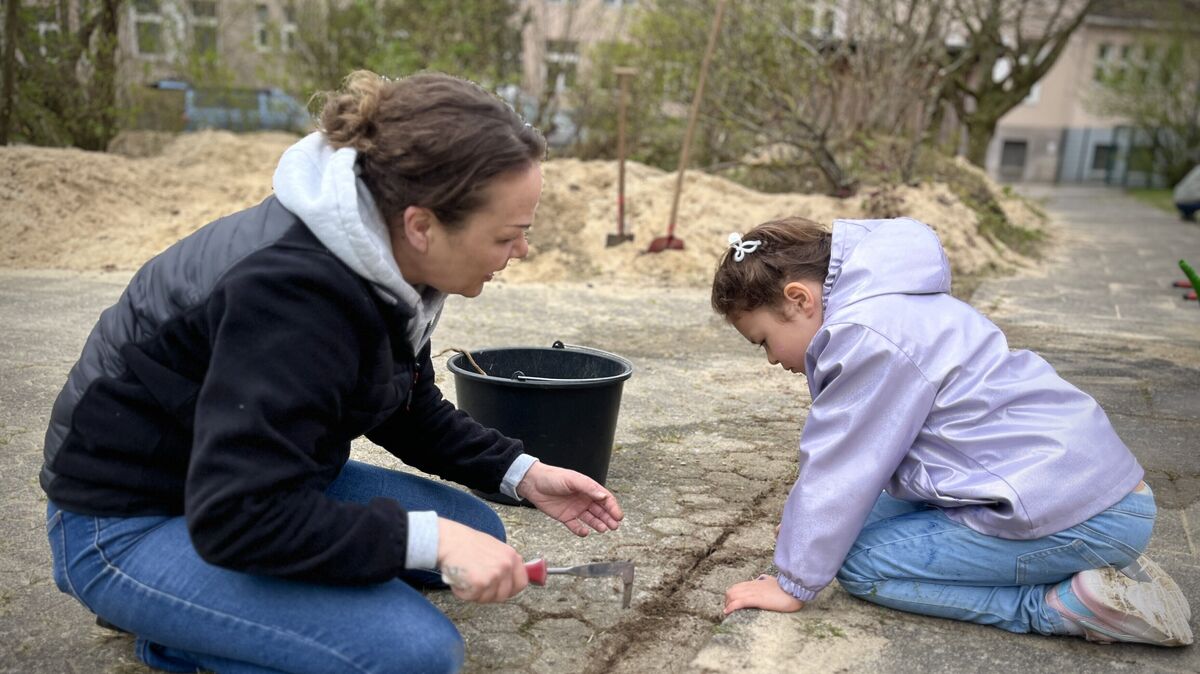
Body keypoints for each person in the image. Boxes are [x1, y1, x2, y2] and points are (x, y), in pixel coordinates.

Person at [40, 70, 623, 674]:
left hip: (247, 480)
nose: (521, 253)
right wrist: (431, 542)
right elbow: (240, 516)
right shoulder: (292, 298)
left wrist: (520, 474)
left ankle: (209, 607)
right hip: (129, 521)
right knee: (413, 655)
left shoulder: (381, 253)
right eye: (509, 235)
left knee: (479, 532)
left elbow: (402, 406)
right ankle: (174, 625)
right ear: (422, 225)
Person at [713, 216, 1192, 646]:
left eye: (764, 342)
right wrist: (808, 530)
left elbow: (842, 467)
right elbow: (872, 471)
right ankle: (1091, 560)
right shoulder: (896, 300)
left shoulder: (865, 338)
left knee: (859, 565)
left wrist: (793, 580)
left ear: (800, 299)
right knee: (842, 527)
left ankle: (1061, 605)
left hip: (1076, 514)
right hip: (1082, 488)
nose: (773, 359)